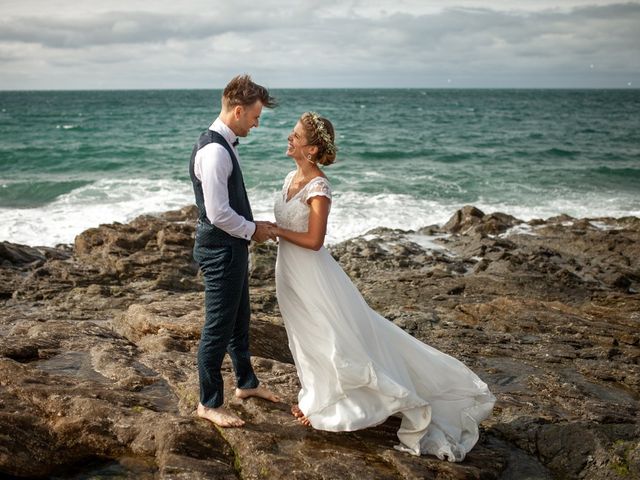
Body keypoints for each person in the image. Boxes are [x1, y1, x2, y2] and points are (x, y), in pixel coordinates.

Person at [272, 112, 496, 461]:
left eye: (296, 135)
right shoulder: (290, 178)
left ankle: (326, 406)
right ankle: (314, 394)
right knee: (303, 334)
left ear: (312, 148)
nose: (289, 137)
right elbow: (291, 228)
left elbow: (315, 240)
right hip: (288, 270)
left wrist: (275, 231)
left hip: (313, 272)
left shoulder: (319, 187)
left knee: (328, 335)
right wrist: (275, 232)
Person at [189, 74, 280, 428]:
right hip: (221, 253)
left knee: (240, 321)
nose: (257, 124)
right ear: (238, 111)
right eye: (255, 117)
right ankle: (208, 403)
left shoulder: (224, 145)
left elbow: (229, 208)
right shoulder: (214, 152)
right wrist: (253, 230)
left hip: (232, 247)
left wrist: (254, 226)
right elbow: (218, 214)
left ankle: (246, 384)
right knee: (217, 328)